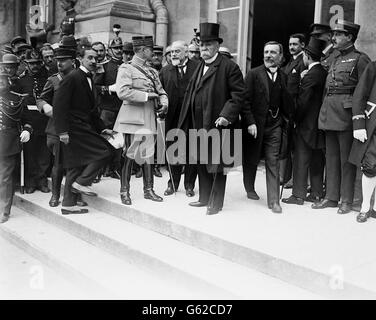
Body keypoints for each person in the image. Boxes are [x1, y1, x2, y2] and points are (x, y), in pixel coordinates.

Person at [177, 22, 244, 215]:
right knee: (201, 161)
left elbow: (238, 95)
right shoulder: (199, 66)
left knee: (216, 164)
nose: (203, 48)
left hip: (217, 124)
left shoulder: (229, 67)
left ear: (216, 45)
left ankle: (216, 203)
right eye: (201, 44)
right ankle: (204, 197)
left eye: (208, 44)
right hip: (198, 123)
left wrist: (226, 115)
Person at [313, 20, 371, 214]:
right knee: (331, 159)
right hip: (329, 113)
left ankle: (346, 200)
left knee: (347, 161)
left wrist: (361, 119)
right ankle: (331, 197)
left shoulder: (360, 59)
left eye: (338, 34)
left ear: (349, 37)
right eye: (334, 34)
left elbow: (365, 91)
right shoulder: (334, 58)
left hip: (347, 116)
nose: (334, 37)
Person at [53, 45, 114, 214]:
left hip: (82, 127)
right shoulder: (73, 77)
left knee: (75, 165)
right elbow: (59, 106)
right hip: (73, 129)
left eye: (96, 58)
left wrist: (102, 129)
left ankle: (68, 204)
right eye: (90, 58)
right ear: (80, 59)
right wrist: (62, 131)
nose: (94, 61)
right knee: (105, 150)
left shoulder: (88, 79)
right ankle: (83, 183)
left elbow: (92, 111)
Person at [114, 35, 168, 206]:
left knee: (148, 155)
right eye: (151, 50)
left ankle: (148, 190)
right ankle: (124, 191)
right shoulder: (126, 68)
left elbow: (161, 91)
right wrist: (147, 95)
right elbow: (122, 92)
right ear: (144, 50)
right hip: (132, 118)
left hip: (149, 117)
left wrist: (165, 103)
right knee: (129, 155)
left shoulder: (152, 71)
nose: (153, 53)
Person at [241, 41, 293, 213]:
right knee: (252, 157)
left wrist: (286, 120)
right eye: (266, 52)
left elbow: (289, 103)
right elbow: (245, 101)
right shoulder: (253, 74)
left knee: (273, 160)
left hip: (275, 125)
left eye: (273, 52)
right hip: (256, 125)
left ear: (280, 56)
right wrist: (250, 122)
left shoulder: (284, 76)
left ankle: (274, 201)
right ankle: (250, 187)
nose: (268, 55)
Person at [36, 46, 87, 208]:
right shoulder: (54, 80)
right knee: (58, 164)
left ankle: (73, 195)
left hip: (77, 129)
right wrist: (45, 106)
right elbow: (40, 99)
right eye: (58, 61)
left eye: (63, 61)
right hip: (57, 130)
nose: (59, 64)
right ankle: (55, 194)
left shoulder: (81, 78)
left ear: (73, 62)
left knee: (77, 164)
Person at [282, 38, 327, 205]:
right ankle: (316, 193)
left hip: (306, 124)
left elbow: (303, 102)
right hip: (319, 124)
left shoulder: (309, 76)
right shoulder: (323, 73)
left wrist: (294, 119)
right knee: (316, 159)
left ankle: (298, 195)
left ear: (307, 56)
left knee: (301, 159)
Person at [159, 40, 199, 197]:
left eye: (177, 51)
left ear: (186, 52)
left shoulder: (198, 68)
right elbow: (160, 92)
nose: (173, 54)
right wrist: (160, 108)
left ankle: (189, 185)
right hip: (173, 118)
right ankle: (173, 183)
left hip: (192, 117)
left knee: (192, 153)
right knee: (174, 151)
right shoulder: (165, 71)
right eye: (171, 52)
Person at [17, 48, 51, 194]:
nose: (35, 66)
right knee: (30, 153)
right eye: (32, 63)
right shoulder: (21, 81)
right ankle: (30, 181)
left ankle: (42, 180)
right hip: (28, 122)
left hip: (45, 120)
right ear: (26, 64)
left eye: (37, 63)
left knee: (44, 153)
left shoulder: (48, 78)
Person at [0, 71, 32, 223]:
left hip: (8, 141)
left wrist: (27, 130)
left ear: (8, 81)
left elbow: (27, 119)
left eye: (2, 80)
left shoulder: (16, 98)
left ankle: (4, 210)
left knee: (5, 178)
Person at [349, 60, 376, 222]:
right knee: (370, 166)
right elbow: (360, 94)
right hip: (374, 123)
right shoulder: (374, 66)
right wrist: (358, 124)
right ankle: (365, 207)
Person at [94, 36, 124, 179]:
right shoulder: (103, 66)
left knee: (119, 140)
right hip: (107, 109)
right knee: (104, 139)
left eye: (120, 48)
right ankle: (98, 170)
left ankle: (114, 168)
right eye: (115, 48)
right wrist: (109, 88)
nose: (118, 51)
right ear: (110, 50)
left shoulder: (126, 66)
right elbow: (94, 87)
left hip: (122, 109)